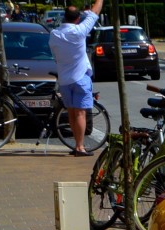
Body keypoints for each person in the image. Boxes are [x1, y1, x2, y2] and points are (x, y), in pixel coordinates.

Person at [48, 0, 104, 156]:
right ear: (77, 19)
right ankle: (80, 147)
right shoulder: (80, 32)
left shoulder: (54, 34)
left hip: (64, 80)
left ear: (64, 18)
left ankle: (76, 146)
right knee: (80, 113)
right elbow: (94, 13)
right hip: (80, 78)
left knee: (72, 113)